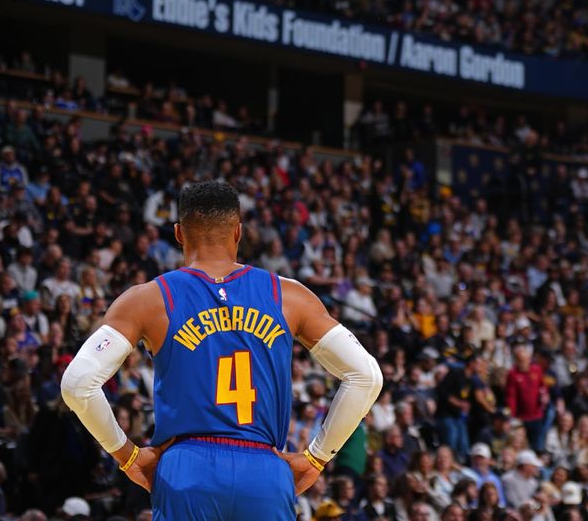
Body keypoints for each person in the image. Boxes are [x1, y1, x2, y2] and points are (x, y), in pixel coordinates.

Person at [61, 182, 383, 519]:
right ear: (239, 231)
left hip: (185, 470)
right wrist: (317, 457)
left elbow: (77, 383)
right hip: (265, 473)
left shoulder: (148, 298)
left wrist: (126, 455)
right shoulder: (290, 296)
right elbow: (367, 376)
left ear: (178, 234)